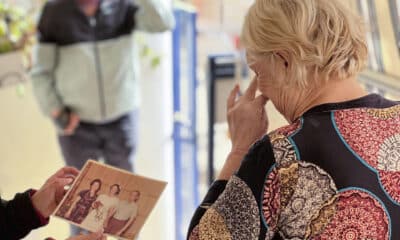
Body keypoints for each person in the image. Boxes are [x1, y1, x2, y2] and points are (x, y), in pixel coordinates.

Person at [188, 0, 400, 239]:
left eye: (259, 73)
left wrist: (238, 150)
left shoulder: (282, 155)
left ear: (284, 61)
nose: (262, 92)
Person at [30, 0, 175, 172]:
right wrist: (56, 111)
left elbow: (163, 22)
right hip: (76, 124)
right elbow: (41, 72)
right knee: (81, 192)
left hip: (121, 119)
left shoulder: (124, 5)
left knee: (126, 191)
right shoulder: (54, 12)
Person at [0, 167, 106, 240]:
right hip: (76, 212)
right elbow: (76, 201)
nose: (95, 187)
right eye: (94, 185)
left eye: (97, 186)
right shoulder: (84, 192)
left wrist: (29, 209)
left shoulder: (97, 197)